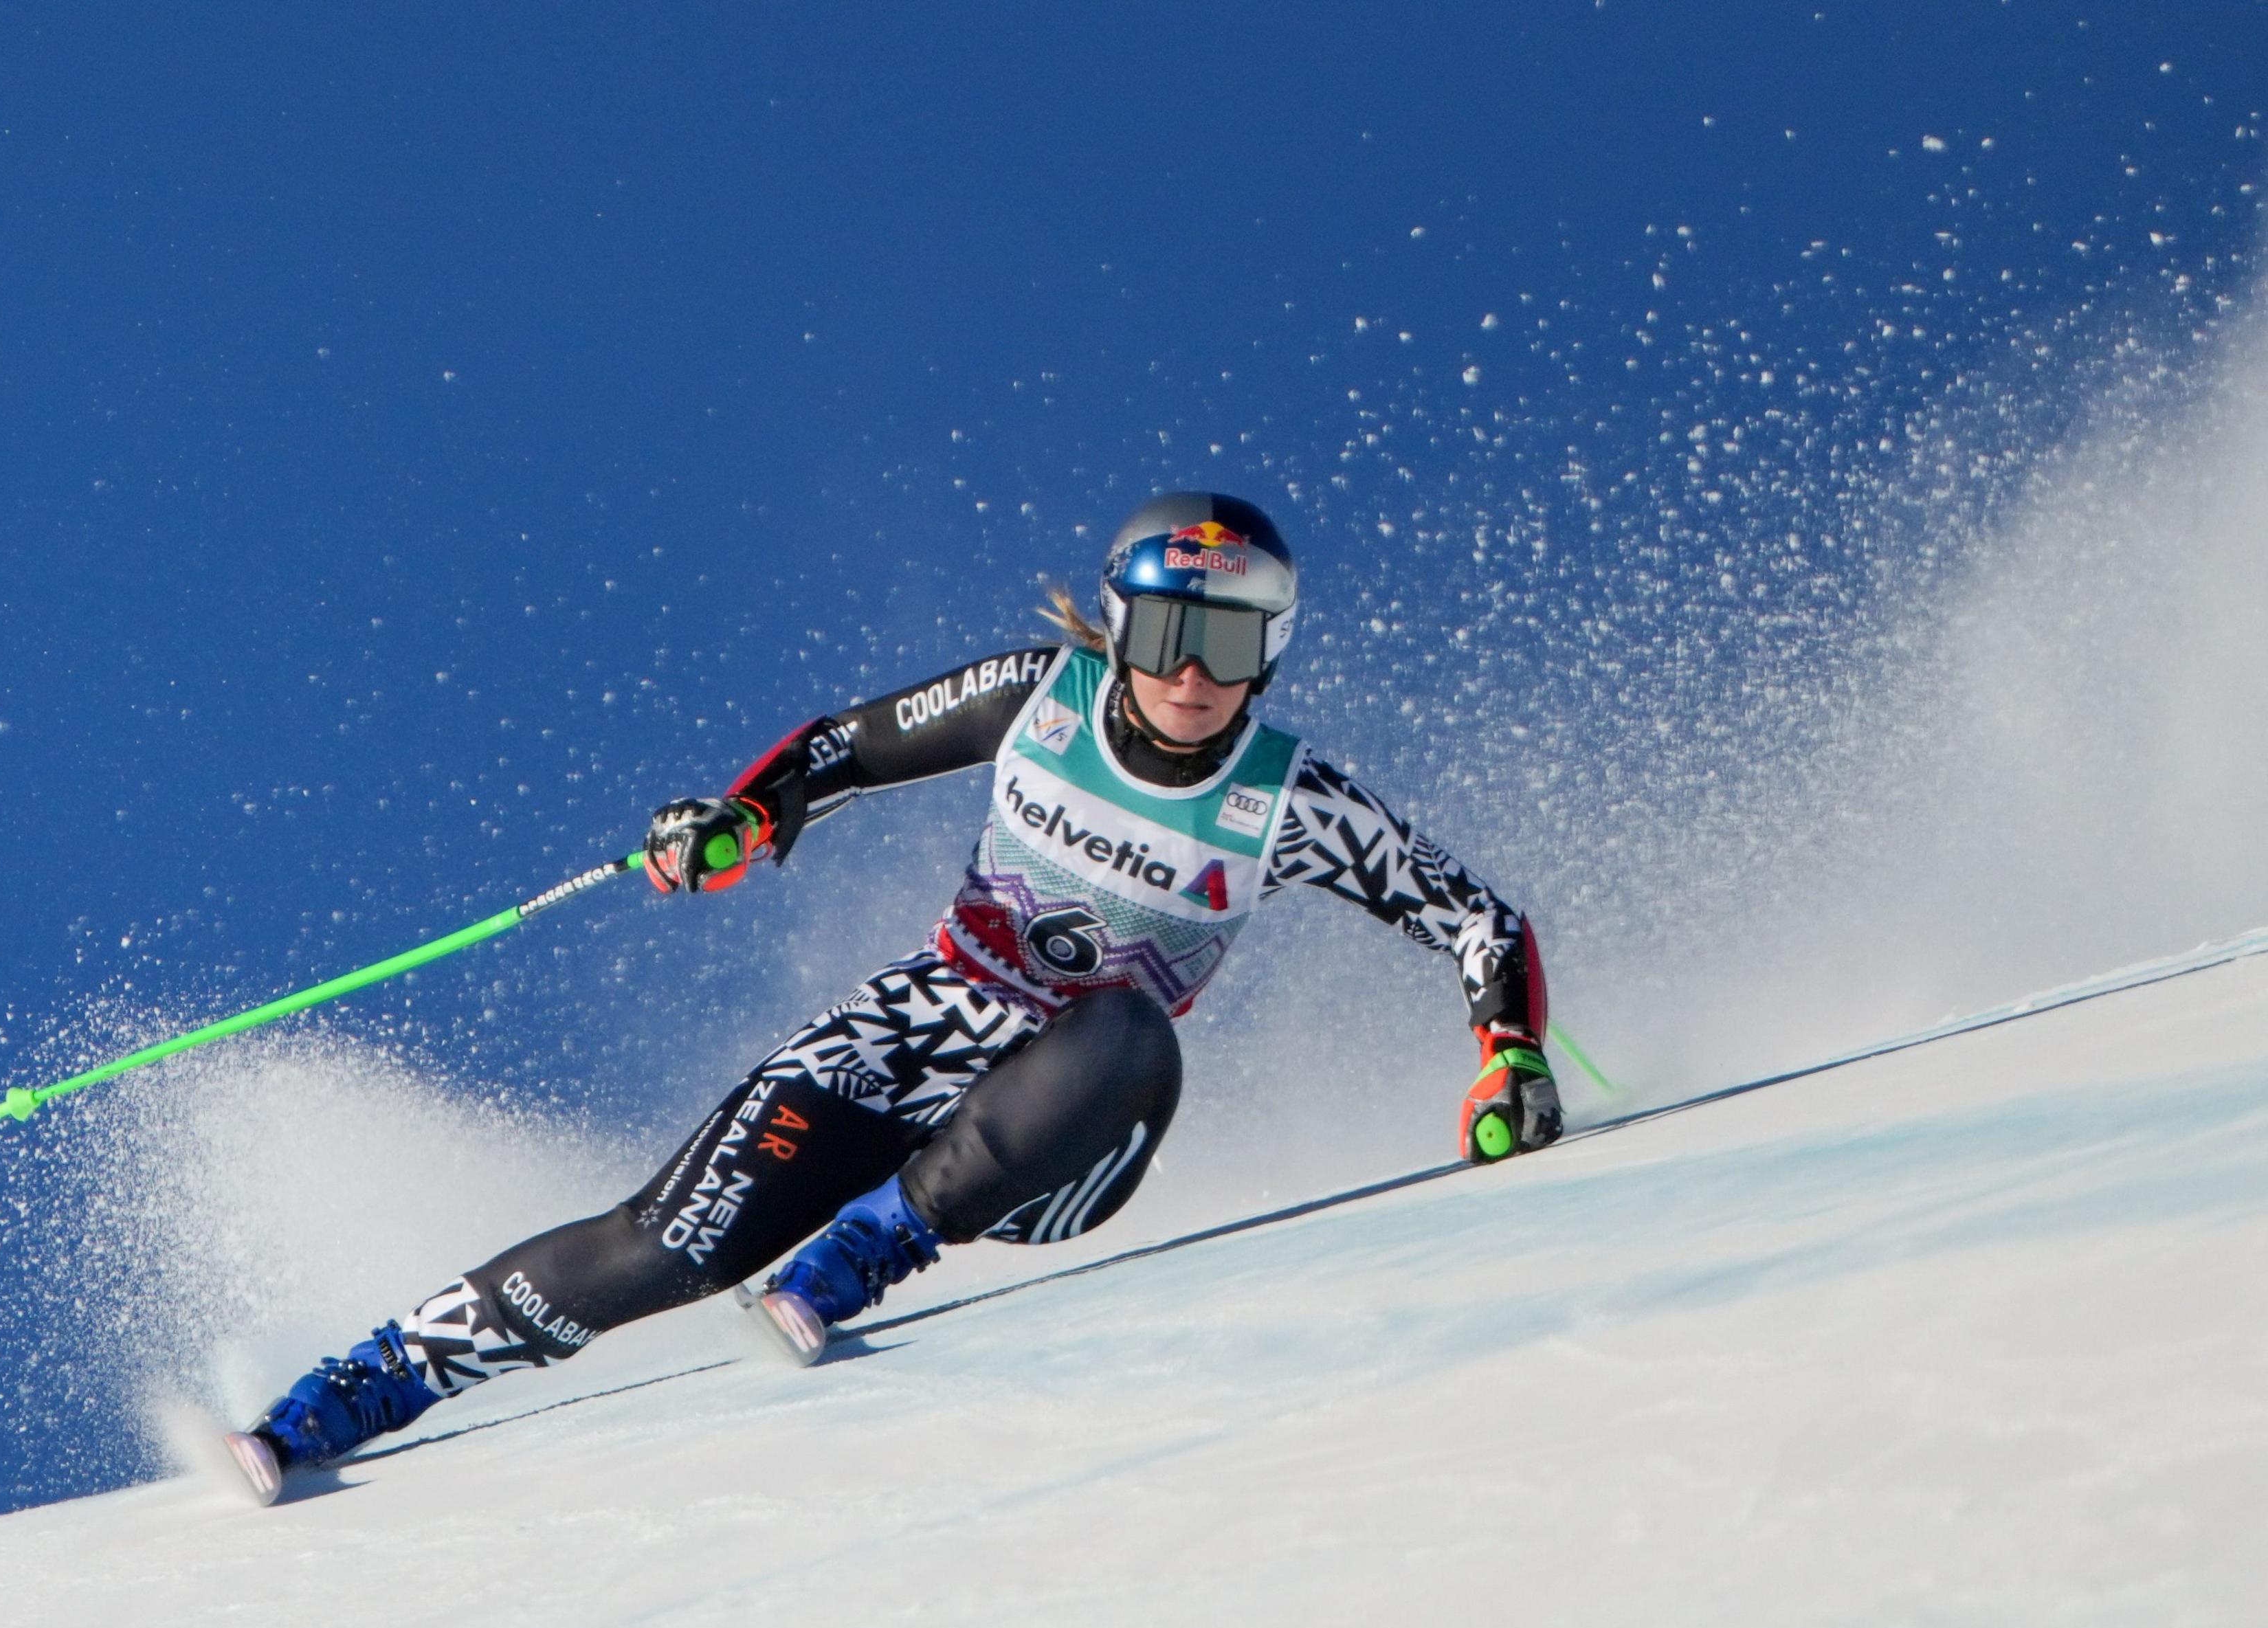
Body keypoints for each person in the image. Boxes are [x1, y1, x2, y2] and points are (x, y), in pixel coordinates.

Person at [222, 491, 1562, 1504]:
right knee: (671, 1244)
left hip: (1064, 1127)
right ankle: (352, 1392)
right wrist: (742, 819)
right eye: (1166, 634)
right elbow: (839, 750)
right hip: (914, 1028)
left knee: (1124, 1022)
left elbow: (1476, 921)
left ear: (1270, 651)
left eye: (1228, 643)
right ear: (1120, 626)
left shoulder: (1286, 798)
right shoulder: (1038, 696)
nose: (1192, 676)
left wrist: (1510, 1055)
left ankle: (868, 1251)